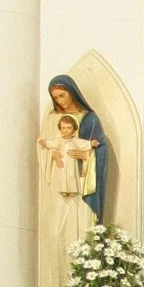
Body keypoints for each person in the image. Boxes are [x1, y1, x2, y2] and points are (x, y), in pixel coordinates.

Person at [38, 109, 97, 287]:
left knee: (75, 237)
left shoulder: (80, 135)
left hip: (76, 191)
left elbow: (92, 150)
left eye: (68, 127)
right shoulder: (58, 140)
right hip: (59, 190)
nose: (65, 131)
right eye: (62, 128)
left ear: (74, 128)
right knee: (55, 235)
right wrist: (49, 152)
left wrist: (88, 152)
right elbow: (45, 146)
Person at [45, 75, 108, 223]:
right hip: (58, 181)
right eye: (56, 98)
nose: (60, 101)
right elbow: (43, 146)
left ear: (72, 92)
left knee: (80, 220)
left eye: (62, 95)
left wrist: (87, 156)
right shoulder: (52, 119)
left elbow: (101, 149)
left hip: (81, 182)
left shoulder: (90, 119)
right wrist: (51, 155)